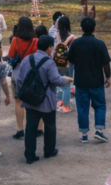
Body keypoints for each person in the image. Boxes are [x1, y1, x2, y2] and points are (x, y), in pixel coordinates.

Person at [13, 35, 72, 164]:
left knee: (30, 127)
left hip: (30, 100)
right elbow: (56, 80)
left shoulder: (27, 59)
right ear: (49, 48)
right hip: (46, 100)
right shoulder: (49, 62)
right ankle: (49, 151)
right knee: (50, 127)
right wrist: (67, 80)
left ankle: (30, 155)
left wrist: (20, 95)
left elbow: (20, 79)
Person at [67, 16, 111, 142]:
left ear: (82, 28)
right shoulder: (100, 43)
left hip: (80, 80)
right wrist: (108, 77)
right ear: (94, 28)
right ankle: (99, 130)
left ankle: (84, 134)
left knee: (82, 107)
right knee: (100, 105)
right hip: (96, 80)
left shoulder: (76, 43)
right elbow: (106, 63)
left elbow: (70, 60)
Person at [53, 15, 75, 113]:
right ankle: (66, 107)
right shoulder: (72, 37)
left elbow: (54, 48)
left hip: (57, 62)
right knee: (66, 85)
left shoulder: (57, 35)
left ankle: (59, 101)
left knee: (58, 82)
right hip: (68, 63)